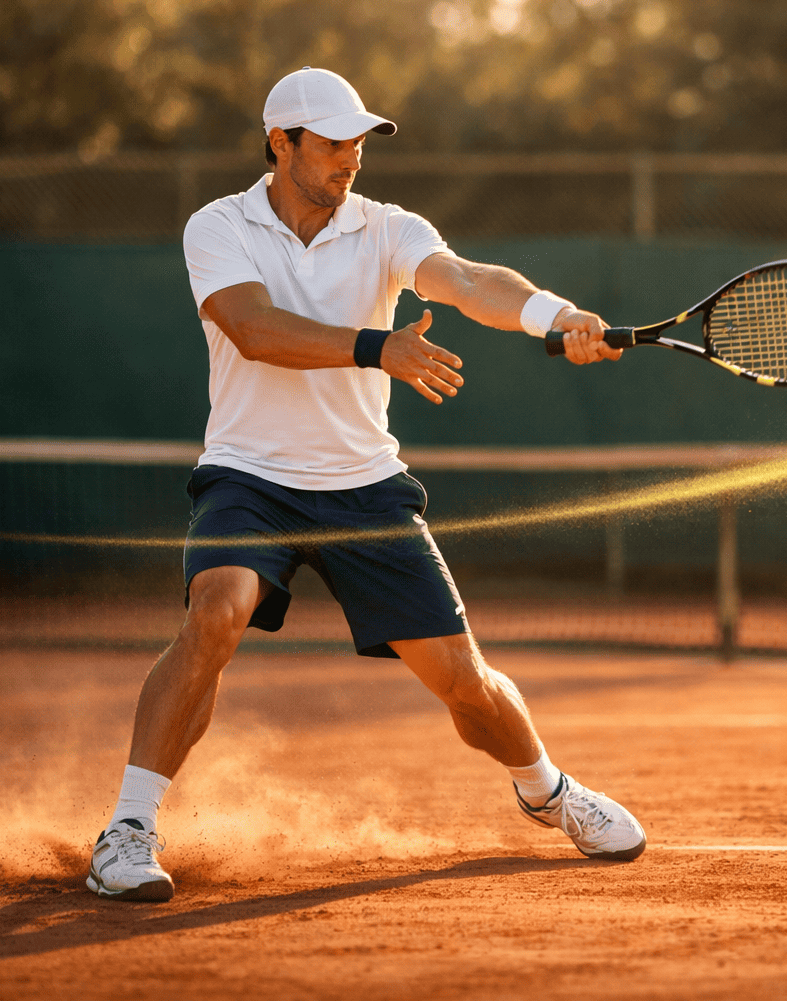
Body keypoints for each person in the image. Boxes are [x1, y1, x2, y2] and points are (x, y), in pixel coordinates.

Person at [86, 67, 644, 902]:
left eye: (358, 142)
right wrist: (378, 347)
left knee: (464, 682)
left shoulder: (387, 227)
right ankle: (128, 829)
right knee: (216, 614)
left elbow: (468, 281)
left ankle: (549, 792)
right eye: (332, 142)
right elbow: (252, 328)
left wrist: (554, 315)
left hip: (366, 488)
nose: (350, 157)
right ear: (281, 143)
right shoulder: (220, 225)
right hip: (250, 476)